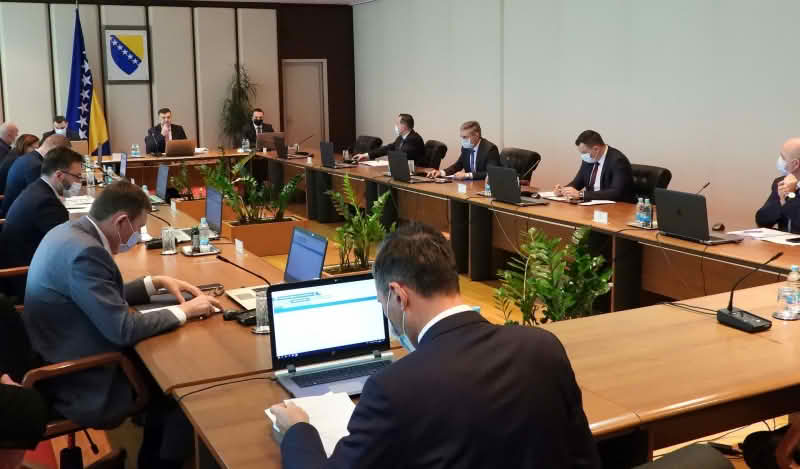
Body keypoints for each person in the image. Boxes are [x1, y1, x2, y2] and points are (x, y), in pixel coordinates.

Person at [271, 222, 601, 469]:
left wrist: (298, 429)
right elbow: (584, 457)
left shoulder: (393, 389)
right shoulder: (543, 347)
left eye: (382, 304)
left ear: (398, 296)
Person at [23, 181, 223, 468]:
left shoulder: (69, 232)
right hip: (79, 377)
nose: (138, 237)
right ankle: (157, 463)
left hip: (59, 345)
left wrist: (154, 283)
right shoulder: (85, 254)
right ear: (121, 222)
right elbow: (123, 330)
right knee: (183, 384)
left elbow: (94, 294)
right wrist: (185, 310)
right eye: (138, 228)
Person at [0, 147, 83, 299]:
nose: (79, 182)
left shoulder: (39, 189)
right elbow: (70, 245)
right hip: (27, 278)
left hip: (27, 264)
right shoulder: (45, 202)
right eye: (77, 177)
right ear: (59, 175)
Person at [554, 130, 635, 203]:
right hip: (592, 205)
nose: (583, 156)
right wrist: (563, 190)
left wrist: (582, 194)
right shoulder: (589, 159)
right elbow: (577, 182)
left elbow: (617, 192)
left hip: (618, 207)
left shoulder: (618, 161)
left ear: (596, 149)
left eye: (584, 153)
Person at [0, 134, 69, 217]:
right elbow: (42, 196)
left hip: (19, 209)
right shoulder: (35, 165)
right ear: (55, 148)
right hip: (18, 215)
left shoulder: (31, 157)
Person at [426, 121, 500, 180]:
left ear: (476, 135)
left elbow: (491, 173)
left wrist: (467, 175)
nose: (463, 140)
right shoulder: (466, 148)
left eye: (465, 137)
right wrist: (441, 172)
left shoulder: (490, 149)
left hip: (484, 186)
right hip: (470, 186)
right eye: (461, 137)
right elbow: (458, 165)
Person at [756, 138, 800, 234]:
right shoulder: (781, 182)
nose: (779, 160)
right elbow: (762, 221)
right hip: (781, 242)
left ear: (795, 164)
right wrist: (782, 199)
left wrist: (790, 195)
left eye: (783, 157)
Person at [354, 114, 425, 164]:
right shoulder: (401, 138)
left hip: (416, 172)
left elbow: (401, 154)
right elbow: (388, 148)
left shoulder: (414, 139)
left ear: (404, 125)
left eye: (397, 124)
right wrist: (367, 155)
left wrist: (384, 161)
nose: (395, 126)